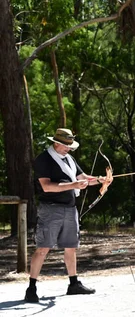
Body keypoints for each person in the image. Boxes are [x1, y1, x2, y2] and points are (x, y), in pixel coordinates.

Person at [24, 128, 111, 303]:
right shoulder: (44, 160)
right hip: (50, 209)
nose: (68, 149)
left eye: (70, 146)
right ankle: (31, 288)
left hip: (70, 208)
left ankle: (73, 284)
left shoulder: (69, 159)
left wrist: (100, 179)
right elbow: (47, 186)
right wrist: (73, 185)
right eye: (65, 146)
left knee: (71, 246)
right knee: (43, 248)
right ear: (56, 143)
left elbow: (82, 177)